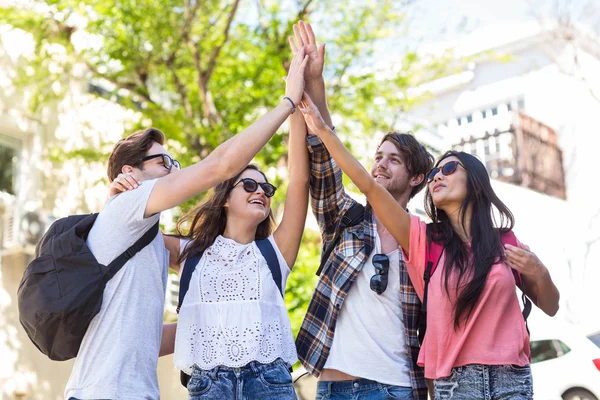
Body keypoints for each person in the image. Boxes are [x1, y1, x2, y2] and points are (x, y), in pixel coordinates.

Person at [64, 47, 309, 400]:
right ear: (224, 197)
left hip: (267, 383)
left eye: (267, 187)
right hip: (207, 385)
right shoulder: (187, 250)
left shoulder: (273, 253)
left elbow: (299, 182)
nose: (261, 192)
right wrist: (112, 201)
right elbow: (116, 238)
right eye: (250, 184)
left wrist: (299, 106)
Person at [297, 92, 560, 400]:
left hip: (511, 378)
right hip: (455, 383)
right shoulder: (425, 241)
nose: (438, 177)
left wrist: (539, 272)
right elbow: (366, 186)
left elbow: (551, 305)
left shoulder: (505, 241)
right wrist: (323, 131)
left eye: (449, 169)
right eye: (435, 173)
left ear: (474, 181)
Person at [289, 21, 433, 400]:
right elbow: (323, 159)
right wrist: (315, 83)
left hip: (395, 387)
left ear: (417, 177)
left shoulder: (426, 239)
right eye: (378, 157)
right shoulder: (346, 220)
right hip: (334, 386)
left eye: (395, 160)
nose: (380, 165)